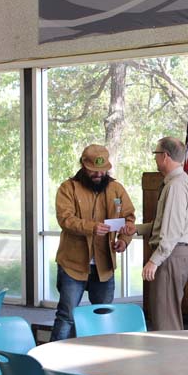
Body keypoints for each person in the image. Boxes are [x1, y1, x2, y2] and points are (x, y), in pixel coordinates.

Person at [50, 144, 136, 341]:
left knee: (103, 316)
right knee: (67, 317)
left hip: (104, 266)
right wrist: (91, 227)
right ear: (83, 165)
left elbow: (128, 219)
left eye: (102, 170)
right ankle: (51, 365)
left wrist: (123, 241)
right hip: (73, 265)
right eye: (93, 170)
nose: (98, 174)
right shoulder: (67, 188)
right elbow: (65, 219)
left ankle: (100, 360)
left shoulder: (116, 189)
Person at [120, 137, 188, 331]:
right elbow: (164, 224)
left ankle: (171, 360)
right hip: (174, 254)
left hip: (170, 256)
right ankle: (174, 358)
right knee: (168, 314)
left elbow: (171, 231)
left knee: (165, 320)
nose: (155, 159)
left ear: (165, 156)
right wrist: (137, 228)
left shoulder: (175, 186)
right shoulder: (179, 182)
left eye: (156, 154)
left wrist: (155, 260)